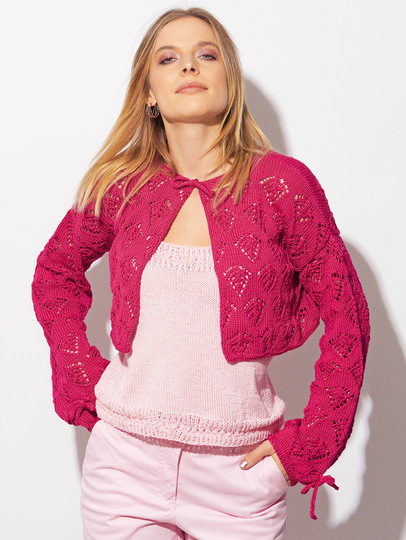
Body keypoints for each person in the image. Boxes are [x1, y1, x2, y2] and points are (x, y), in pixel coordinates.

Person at [31, 7, 370, 540]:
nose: (189, 66)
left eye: (206, 55)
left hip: (239, 477)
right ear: (149, 92)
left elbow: (348, 314)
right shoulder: (122, 186)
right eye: (169, 58)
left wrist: (305, 448)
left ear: (229, 81)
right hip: (123, 469)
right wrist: (81, 376)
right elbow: (56, 272)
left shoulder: (282, 187)